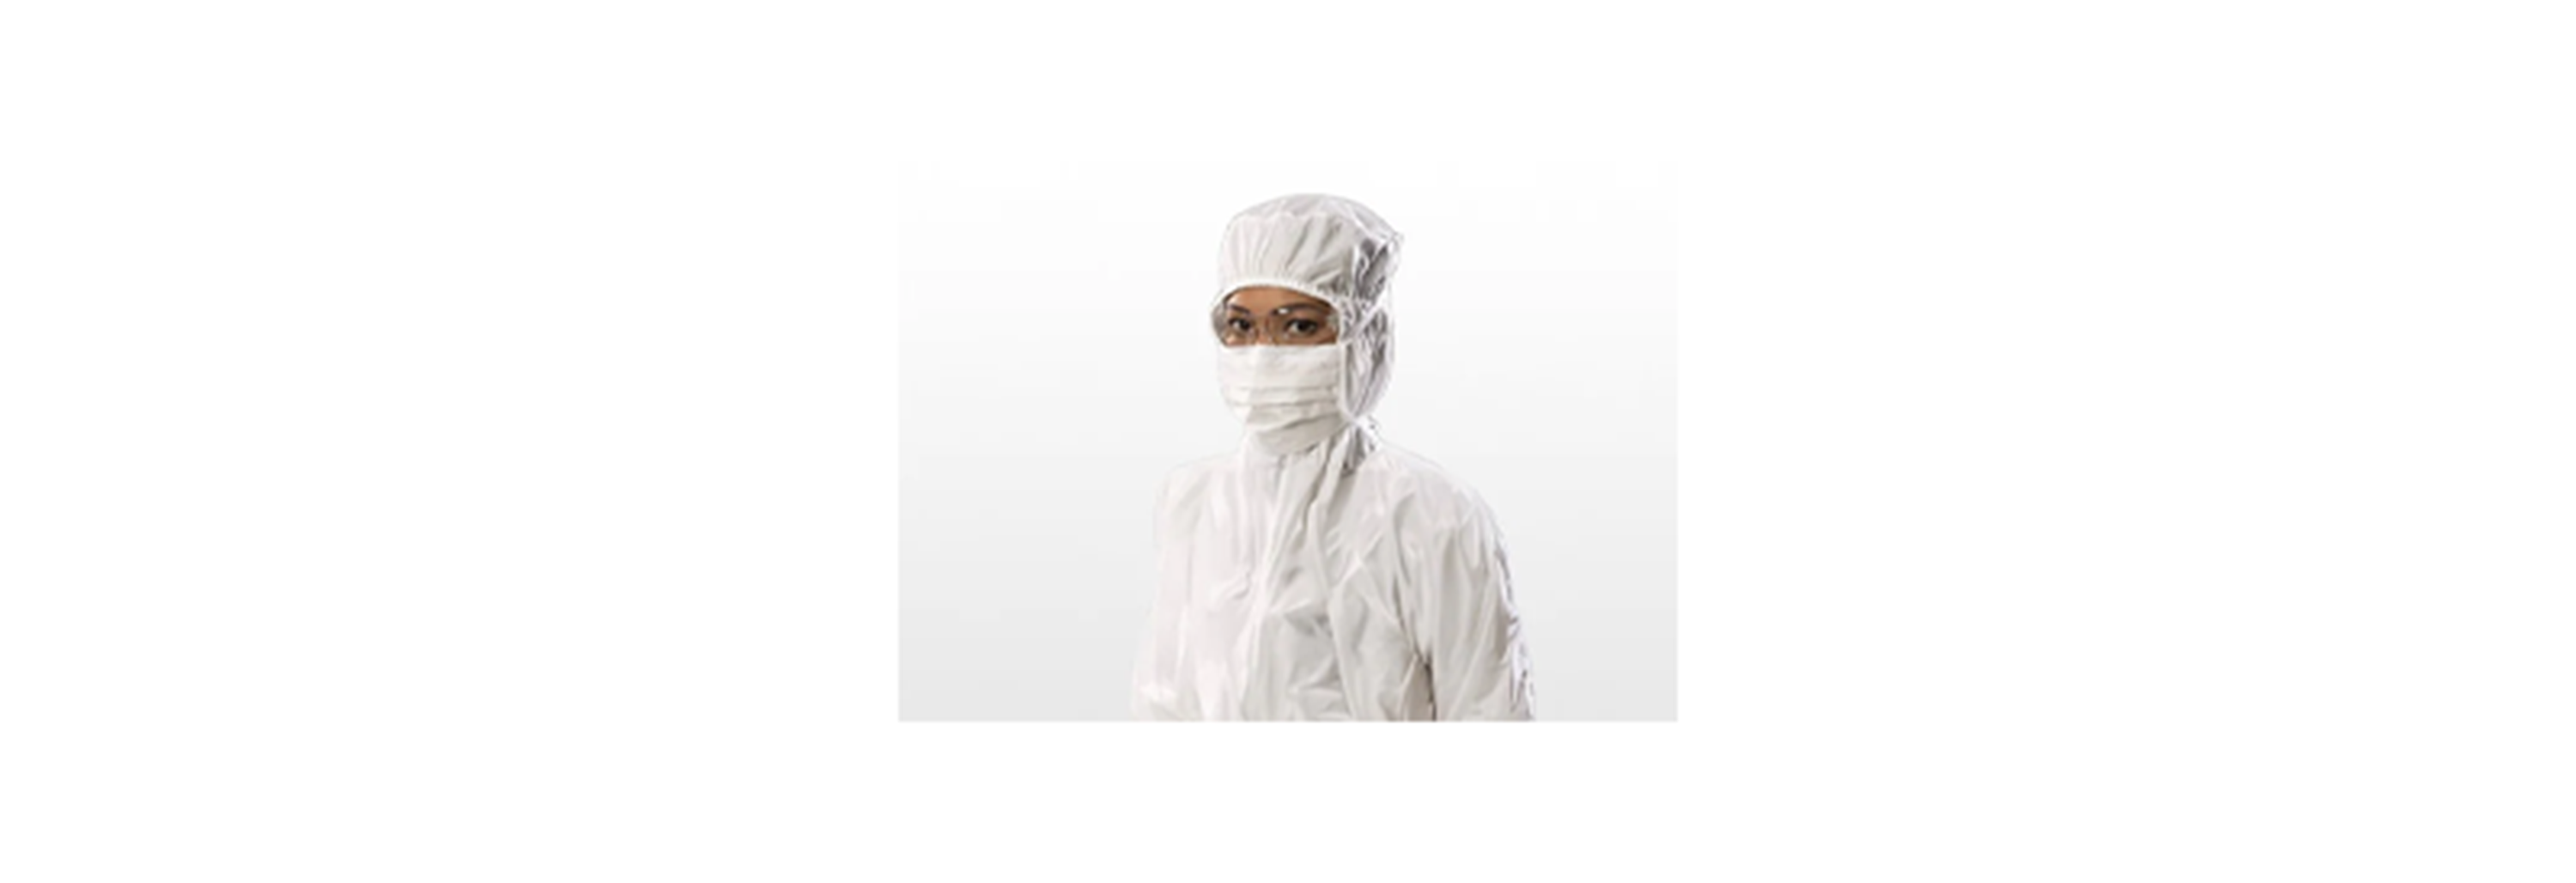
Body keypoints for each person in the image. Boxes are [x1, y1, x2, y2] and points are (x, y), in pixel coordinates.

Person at [1131, 193, 1537, 722]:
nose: (1263, 352)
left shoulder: (1432, 514)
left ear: (1366, 336)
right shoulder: (1192, 501)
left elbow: (1488, 711)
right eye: (1242, 325)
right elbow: (1162, 700)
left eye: (1299, 326)